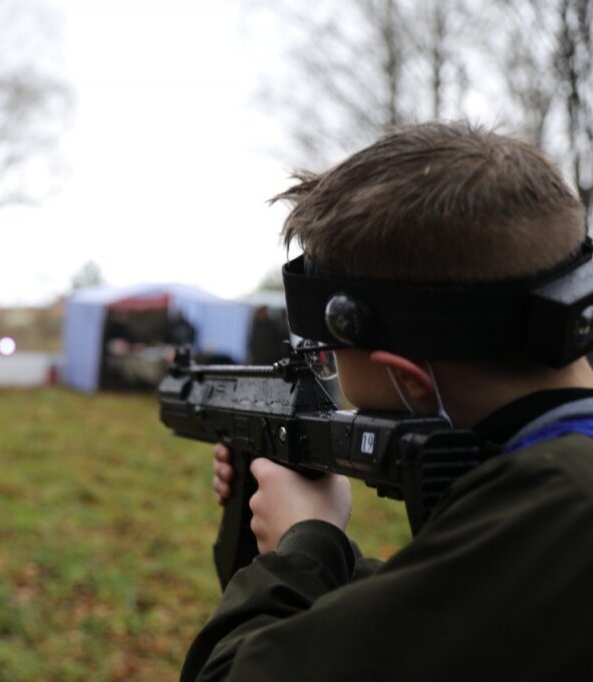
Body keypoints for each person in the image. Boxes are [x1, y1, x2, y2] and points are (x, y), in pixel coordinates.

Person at [182, 123, 593, 680]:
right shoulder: (558, 501)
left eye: (334, 361)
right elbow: (466, 623)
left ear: (408, 379)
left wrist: (301, 550)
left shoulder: (560, 507)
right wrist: (328, 553)